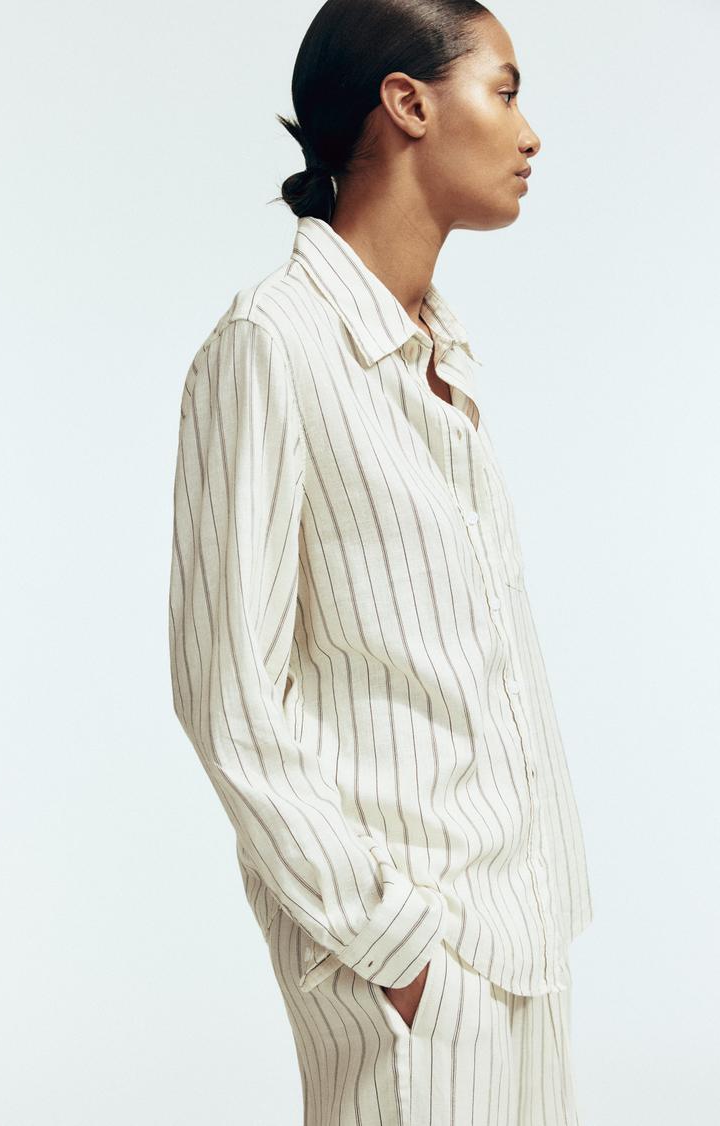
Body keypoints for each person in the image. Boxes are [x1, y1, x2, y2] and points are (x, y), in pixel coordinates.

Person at [168, 1, 593, 1122]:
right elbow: (229, 696)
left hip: (524, 944)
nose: (530, 133)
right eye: (505, 91)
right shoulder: (272, 346)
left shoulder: (438, 354)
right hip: (413, 972)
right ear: (407, 104)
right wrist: (392, 944)